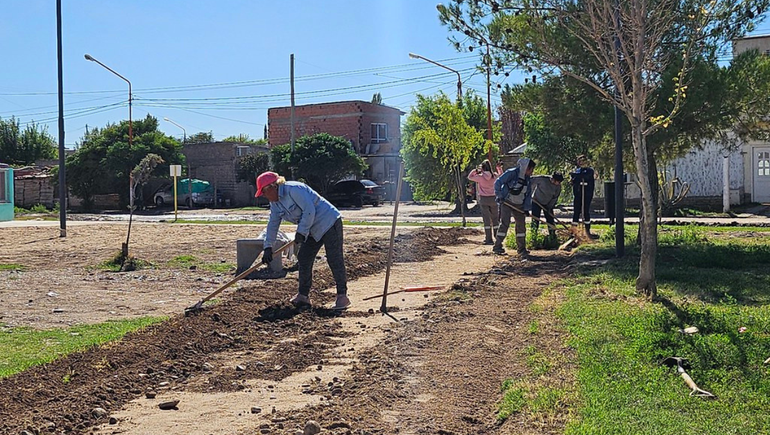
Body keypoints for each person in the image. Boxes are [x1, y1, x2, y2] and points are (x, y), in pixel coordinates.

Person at [255, 171, 351, 310]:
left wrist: (301, 232)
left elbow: (309, 210)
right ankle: (303, 296)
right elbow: (273, 224)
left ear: (273, 186)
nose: (264, 196)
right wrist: (268, 247)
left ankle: (342, 296)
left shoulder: (294, 189)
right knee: (304, 258)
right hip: (310, 228)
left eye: (264, 192)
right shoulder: (275, 204)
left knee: (334, 258)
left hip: (329, 222)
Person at [493, 157, 537, 256]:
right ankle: (497, 246)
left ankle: (521, 249)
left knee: (521, 226)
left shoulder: (527, 180)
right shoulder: (511, 173)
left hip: (519, 205)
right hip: (506, 202)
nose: (532, 172)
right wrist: (499, 196)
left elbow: (528, 195)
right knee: (504, 223)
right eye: (531, 169)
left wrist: (526, 209)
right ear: (526, 168)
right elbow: (498, 182)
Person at [468, 159, 503, 245]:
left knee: (486, 220)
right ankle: (497, 238)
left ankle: (488, 239)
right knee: (495, 219)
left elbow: (470, 177)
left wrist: (476, 170)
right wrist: (499, 168)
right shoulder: (494, 176)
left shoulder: (480, 177)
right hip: (494, 198)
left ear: (482, 168)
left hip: (484, 199)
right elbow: (502, 175)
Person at [530, 172, 564, 239]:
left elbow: (555, 198)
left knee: (550, 220)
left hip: (548, 204)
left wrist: (549, 207)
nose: (559, 183)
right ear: (553, 179)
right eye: (558, 181)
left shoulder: (558, 187)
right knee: (535, 219)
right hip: (536, 201)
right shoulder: (543, 179)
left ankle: (552, 235)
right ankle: (533, 235)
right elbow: (530, 181)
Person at [570, 155, 597, 238]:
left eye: (582, 161)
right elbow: (574, 180)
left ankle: (587, 231)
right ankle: (573, 232)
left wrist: (576, 175)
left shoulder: (589, 171)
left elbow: (584, 176)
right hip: (578, 194)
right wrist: (573, 180)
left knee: (585, 211)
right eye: (579, 161)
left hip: (587, 194)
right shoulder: (577, 170)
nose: (580, 163)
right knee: (576, 212)